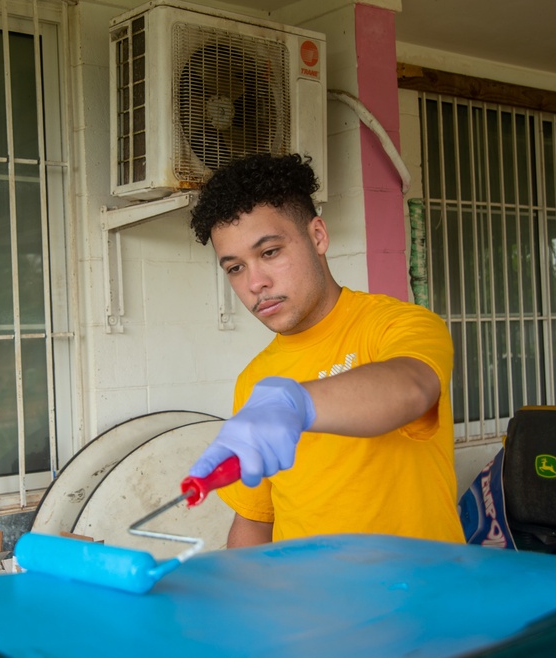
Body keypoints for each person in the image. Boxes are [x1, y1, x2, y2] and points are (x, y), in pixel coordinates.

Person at [188, 153, 464, 548]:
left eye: (269, 253)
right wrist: (236, 600)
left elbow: (411, 387)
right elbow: (254, 520)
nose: (256, 283)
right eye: (235, 268)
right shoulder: (255, 379)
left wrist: (297, 404)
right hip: (305, 605)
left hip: (417, 598)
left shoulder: (398, 325)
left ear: (317, 235)